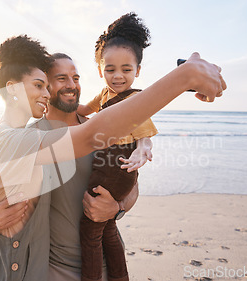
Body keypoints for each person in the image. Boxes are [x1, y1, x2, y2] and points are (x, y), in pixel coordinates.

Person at [0, 32, 226, 280]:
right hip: (51, 267)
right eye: (60, 78)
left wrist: (117, 208)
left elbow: (131, 182)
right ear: (46, 85)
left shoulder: (110, 128)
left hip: (103, 261)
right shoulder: (32, 136)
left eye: (75, 77)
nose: (71, 85)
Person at [77, 13, 156, 281]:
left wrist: (142, 149)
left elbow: (145, 134)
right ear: (100, 70)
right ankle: (119, 276)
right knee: (107, 229)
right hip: (106, 165)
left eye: (126, 69)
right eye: (110, 69)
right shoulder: (103, 95)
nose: (118, 76)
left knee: (89, 232)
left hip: (119, 168)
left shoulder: (137, 99)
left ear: (138, 71)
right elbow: (83, 111)